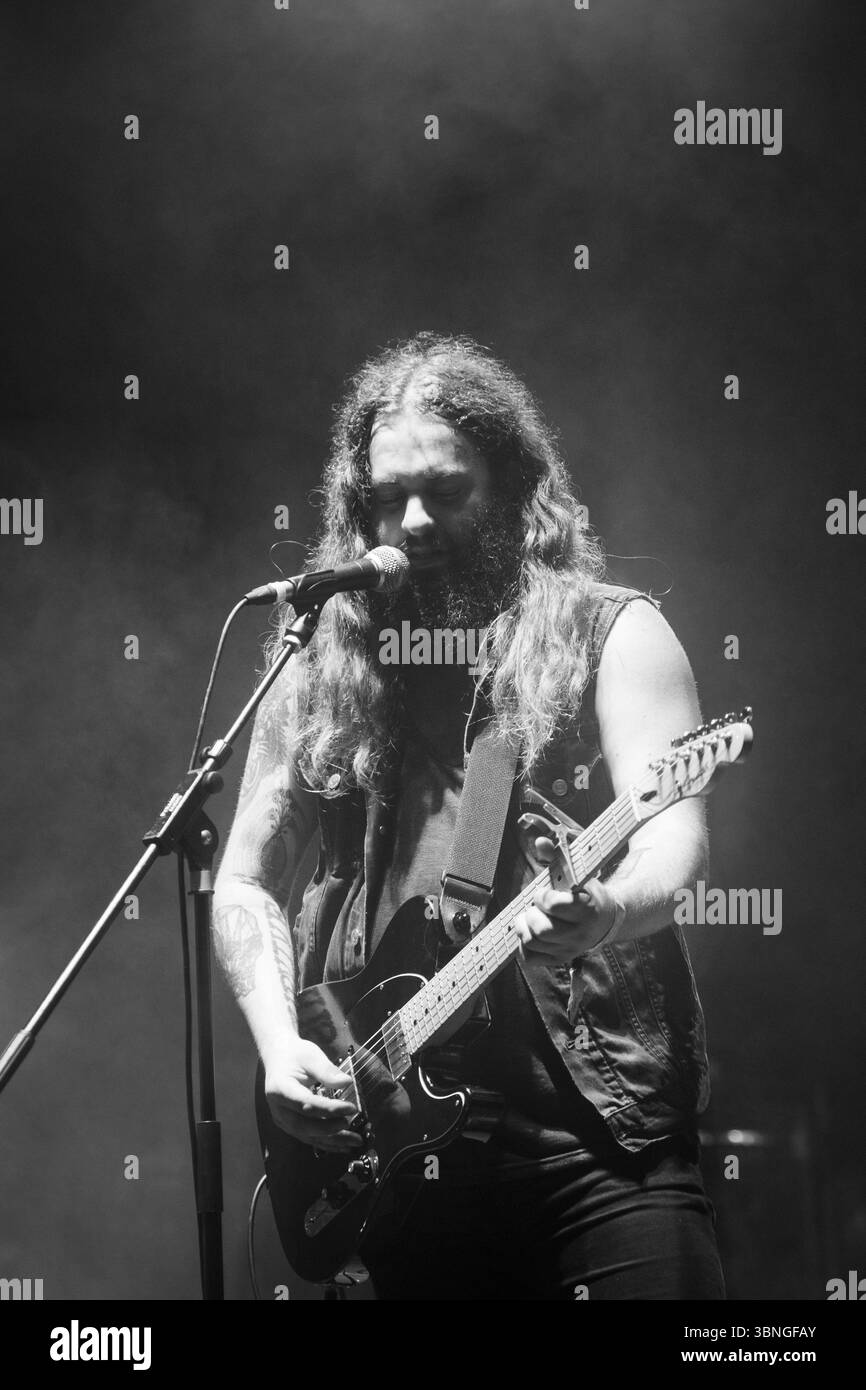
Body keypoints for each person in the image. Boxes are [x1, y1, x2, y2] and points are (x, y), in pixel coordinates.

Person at [212, 332, 726, 1300]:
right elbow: (244, 878)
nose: (411, 520)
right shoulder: (317, 660)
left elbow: (673, 834)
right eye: (384, 497)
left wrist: (606, 912)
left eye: (445, 492)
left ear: (513, 487)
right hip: (400, 1147)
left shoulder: (610, 632)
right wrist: (279, 1045)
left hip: (598, 1134)